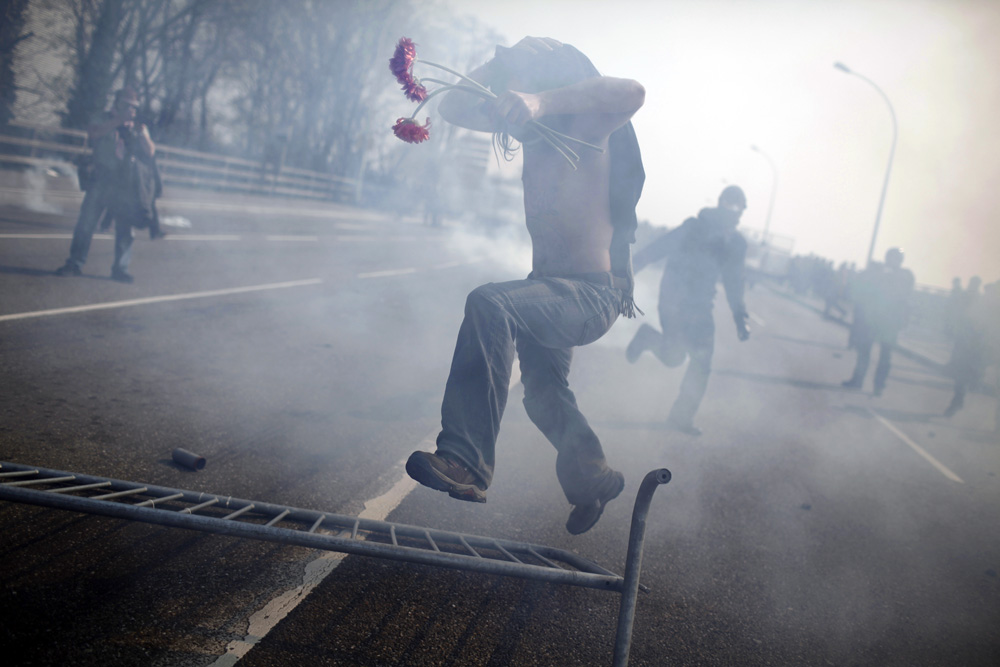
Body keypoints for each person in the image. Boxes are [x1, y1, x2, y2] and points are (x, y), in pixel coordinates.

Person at [404, 36, 646, 535]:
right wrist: (498, 65)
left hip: (592, 293)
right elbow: (451, 104)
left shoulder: (587, 124)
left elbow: (632, 92)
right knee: (542, 394)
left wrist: (540, 100)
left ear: (547, 84)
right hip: (550, 287)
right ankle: (590, 478)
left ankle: (466, 462)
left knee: (490, 304)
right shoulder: (533, 132)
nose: (510, 95)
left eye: (520, 82)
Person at [624, 185, 751, 436]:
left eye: (738, 207)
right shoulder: (694, 227)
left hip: (702, 307)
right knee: (674, 358)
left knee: (702, 363)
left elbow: (734, 281)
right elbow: (658, 248)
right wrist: (628, 271)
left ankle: (681, 417)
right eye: (729, 205)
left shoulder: (736, 244)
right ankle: (648, 338)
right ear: (720, 203)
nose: (733, 212)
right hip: (674, 301)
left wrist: (740, 317)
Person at [55, 86, 157, 283]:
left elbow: (151, 151)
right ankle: (74, 263)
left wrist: (143, 133)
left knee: (125, 229)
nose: (131, 110)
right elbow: (93, 134)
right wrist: (118, 120)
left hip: (126, 183)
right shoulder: (103, 118)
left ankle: (120, 269)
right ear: (117, 102)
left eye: (134, 106)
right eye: (127, 105)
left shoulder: (136, 126)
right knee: (86, 223)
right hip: (101, 178)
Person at [842, 247, 915, 396]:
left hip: (890, 323)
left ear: (899, 261)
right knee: (865, 351)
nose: (891, 261)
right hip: (874, 320)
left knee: (884, 356)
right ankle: (859, 380)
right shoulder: (879, 273)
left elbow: (904, 294)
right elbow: (865, 287)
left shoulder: (904, 275)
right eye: (890, 257)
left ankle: (878, 386)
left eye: (894, 258)